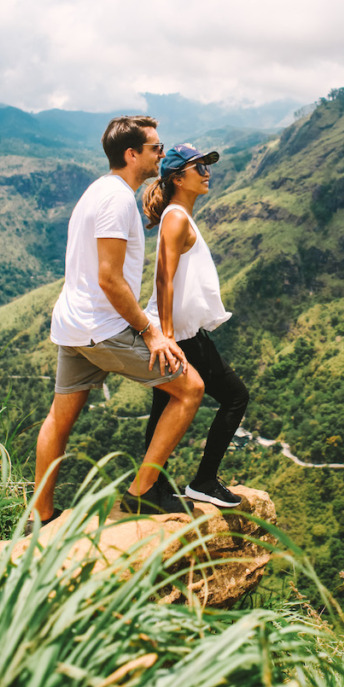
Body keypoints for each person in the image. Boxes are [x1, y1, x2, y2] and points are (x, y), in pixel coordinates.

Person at [30, 116, 205, 526]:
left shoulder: (98, 190)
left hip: (74, 326)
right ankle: (142, 493)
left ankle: (40, 517)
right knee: (191, 389)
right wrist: (151, 332)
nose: (161, 155)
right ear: (132, 154)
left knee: (59, 419)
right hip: (102, 329)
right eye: (155, 149)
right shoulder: (117, 200)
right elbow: (109, 278)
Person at [142, 143, 249, 508]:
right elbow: (163, 278)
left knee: (163, 410)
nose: (206, 173)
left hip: (186, 334)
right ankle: (201, 482)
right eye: (198, 168)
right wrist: (168, 337)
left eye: (207, 166)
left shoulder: (179, 216)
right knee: (235, 397)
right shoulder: (175, 218)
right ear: (177, 178)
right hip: (179, 336)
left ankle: (151, 490)